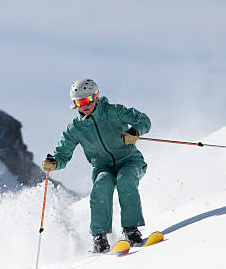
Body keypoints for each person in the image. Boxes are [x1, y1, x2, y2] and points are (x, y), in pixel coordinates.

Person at [42, 79, 151, 253]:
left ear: (96, 97)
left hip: (129, 160)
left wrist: (135, 131)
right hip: (103, 167)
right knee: (101, 187)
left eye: (87, 100)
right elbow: (63, 153)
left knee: (126, 180)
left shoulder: (114, 111)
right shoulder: (75, 128)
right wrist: (54, 162)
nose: (84, 105)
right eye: (79, 102)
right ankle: (99, 237)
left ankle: (131, 229)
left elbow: (142, 119)